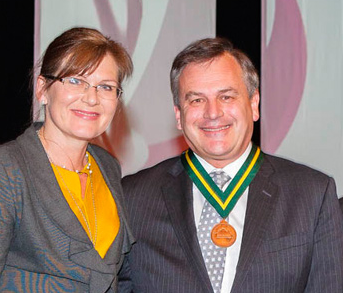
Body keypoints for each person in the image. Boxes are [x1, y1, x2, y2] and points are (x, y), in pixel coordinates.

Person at [119, 38, 343, 292]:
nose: (213, 112)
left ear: (254, 104)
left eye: (226, 96)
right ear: (179, 116)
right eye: (196, 100)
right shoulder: (133, 196)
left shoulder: (312, 194)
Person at [0, 27, 134, 292]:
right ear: (43, 89)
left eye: (106, 87)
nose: (91, 98)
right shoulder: (0, 171)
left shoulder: (108, 168)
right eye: (76, 81)